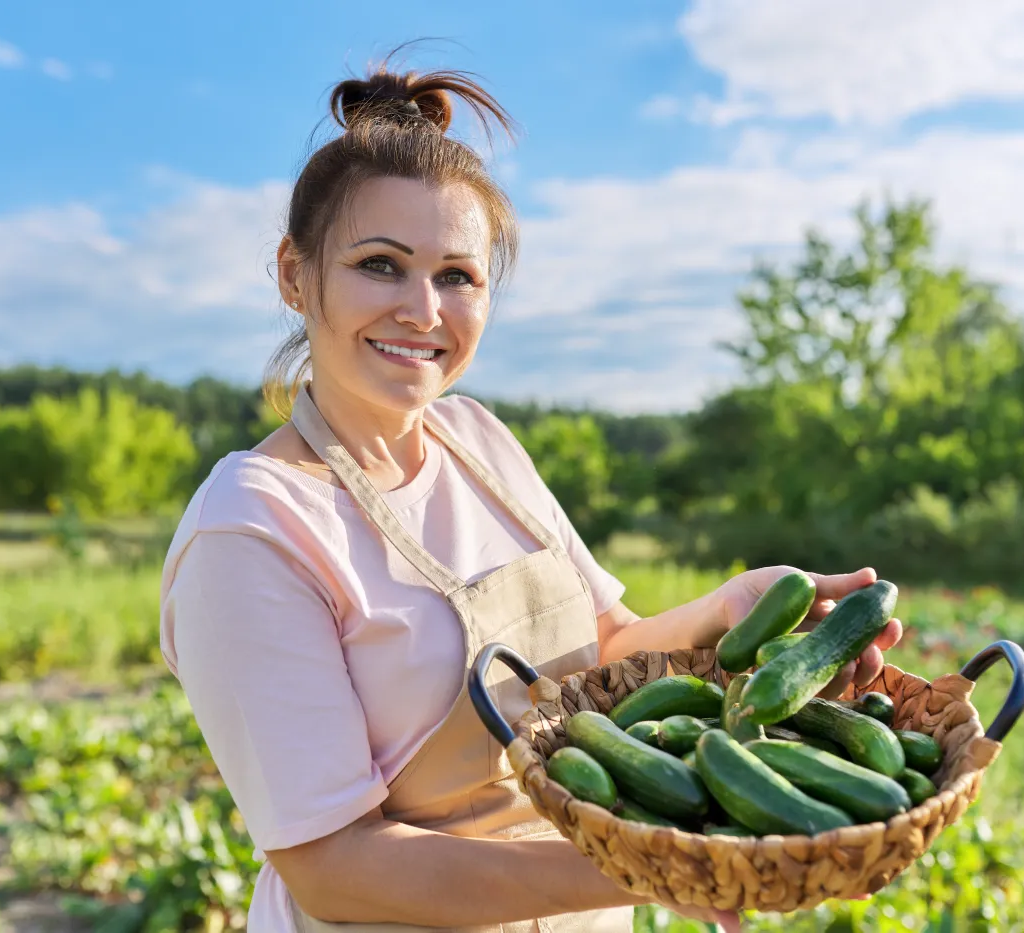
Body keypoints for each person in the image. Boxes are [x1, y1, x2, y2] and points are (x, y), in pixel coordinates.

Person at [158, 53, 904, 933]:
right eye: (380, 265)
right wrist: (656, 862)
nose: (424, 311)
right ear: (294, 274)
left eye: (458, 276)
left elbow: (599, 657)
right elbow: (335, 868)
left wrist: (731, 607)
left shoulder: (480, 444)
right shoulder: (252, 528)